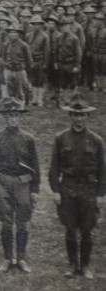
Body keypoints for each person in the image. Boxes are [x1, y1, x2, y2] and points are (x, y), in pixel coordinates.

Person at [49, 97, 104, 278]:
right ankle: (73, 265)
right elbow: (54, 168)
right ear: (70, 116)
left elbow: (103, 170)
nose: (79, 119)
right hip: (68, 188)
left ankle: (86, 266)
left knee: (87, 230)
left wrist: (101, 194)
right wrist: (56, 191)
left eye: (82, 115)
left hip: (89, 189)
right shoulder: (61, 138)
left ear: (87, 116)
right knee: (70, 229)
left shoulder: (96, 141)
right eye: (75, 115)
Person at [0, 98, 39, 274]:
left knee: (22, 222)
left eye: (16, 115)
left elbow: (35, 166)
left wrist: (35, 190)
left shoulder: (28, 139)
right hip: (3, 182)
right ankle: (8, 258)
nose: (13, 119)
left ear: (20, 117)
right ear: (5, 117)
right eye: (9, 116)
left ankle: (21, 258)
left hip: (23, 182)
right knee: (6, 223)